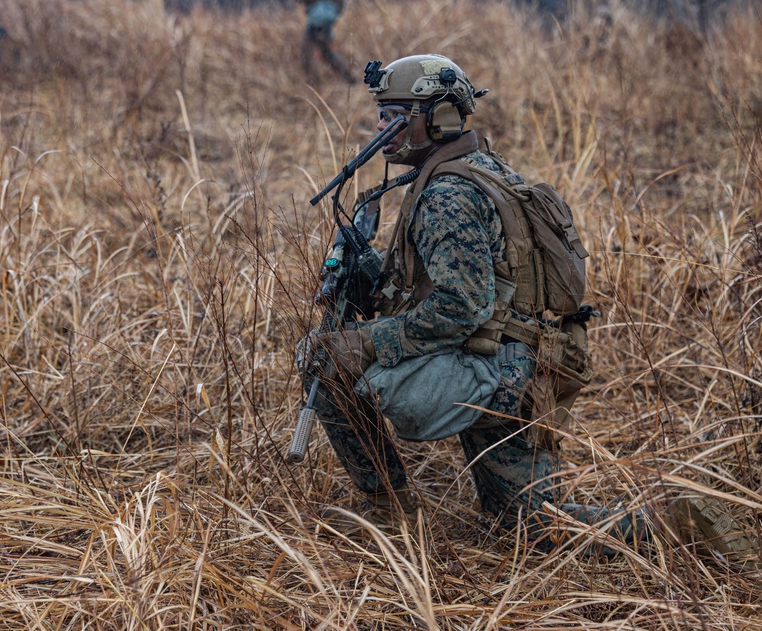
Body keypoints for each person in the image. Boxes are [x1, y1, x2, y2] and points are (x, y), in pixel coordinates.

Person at [298, 53, 757, 562]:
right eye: (381, 114)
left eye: (395, 114)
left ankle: (388, 509)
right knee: (535, 528)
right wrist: (370, 273)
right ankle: (671, 524)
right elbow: (476, 277)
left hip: (494, 370)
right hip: (531, 364)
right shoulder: (481, 168)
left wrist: (363, 341)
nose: (382, 127)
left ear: (439, 119)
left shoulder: (445, 194)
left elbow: (459, 307)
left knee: (325, 358)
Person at [291, 0, 355, 84]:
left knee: (313, 52)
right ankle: (348, 80)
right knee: (321, 52)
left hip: (322, 13)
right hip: (321, 13)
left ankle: (346, 81)